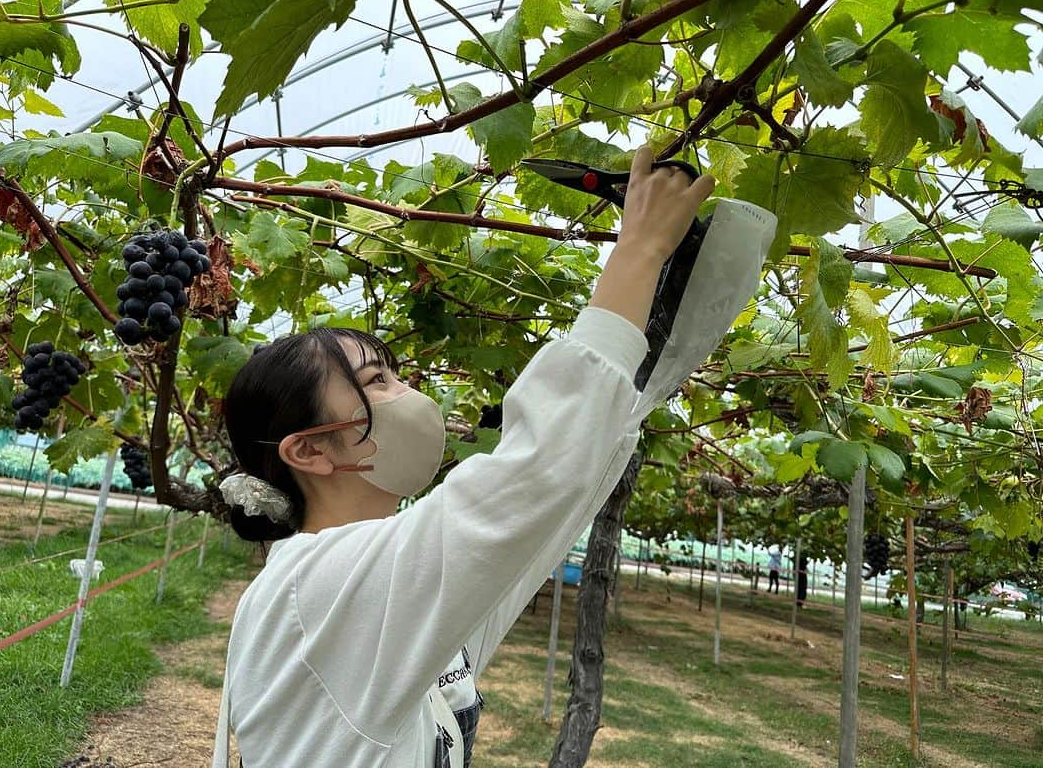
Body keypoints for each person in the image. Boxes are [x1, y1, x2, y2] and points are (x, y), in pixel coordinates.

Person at [211, 147, 771, 768]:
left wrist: (654, 306)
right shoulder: (315, 586)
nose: (408, 395)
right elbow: (535, 473)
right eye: (376, 383)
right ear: (309, 450)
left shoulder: (393, 582)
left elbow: (551, 503)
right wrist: (637, 250)